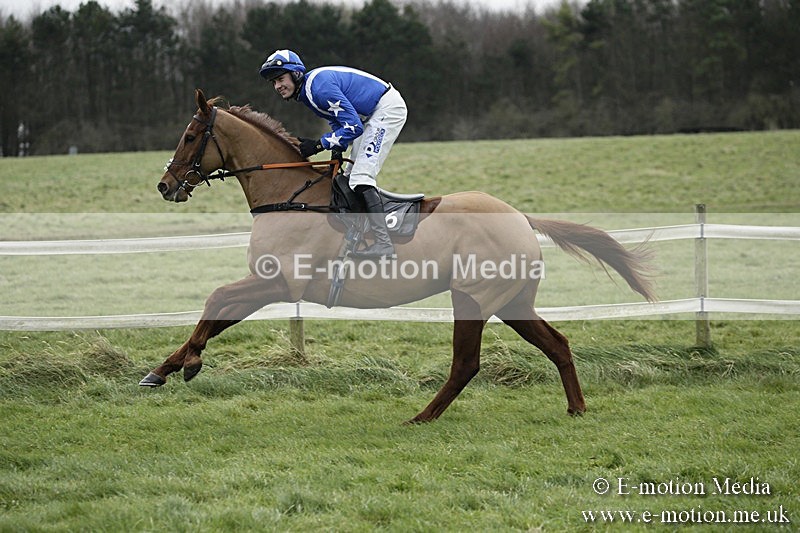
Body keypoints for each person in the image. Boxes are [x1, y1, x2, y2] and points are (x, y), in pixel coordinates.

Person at [259, 49, 407, 258]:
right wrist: (336, 152)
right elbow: (338, 121)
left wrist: (319, 145)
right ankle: (362, 232)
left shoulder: (318, 88)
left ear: (296, 74)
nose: (277, 86)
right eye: (274, 82)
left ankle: (384, 244)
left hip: (385, 110)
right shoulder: (307, 93)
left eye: (281, 79)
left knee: (361, 178)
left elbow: (353, 127)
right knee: (347, 178)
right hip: (370, 115)